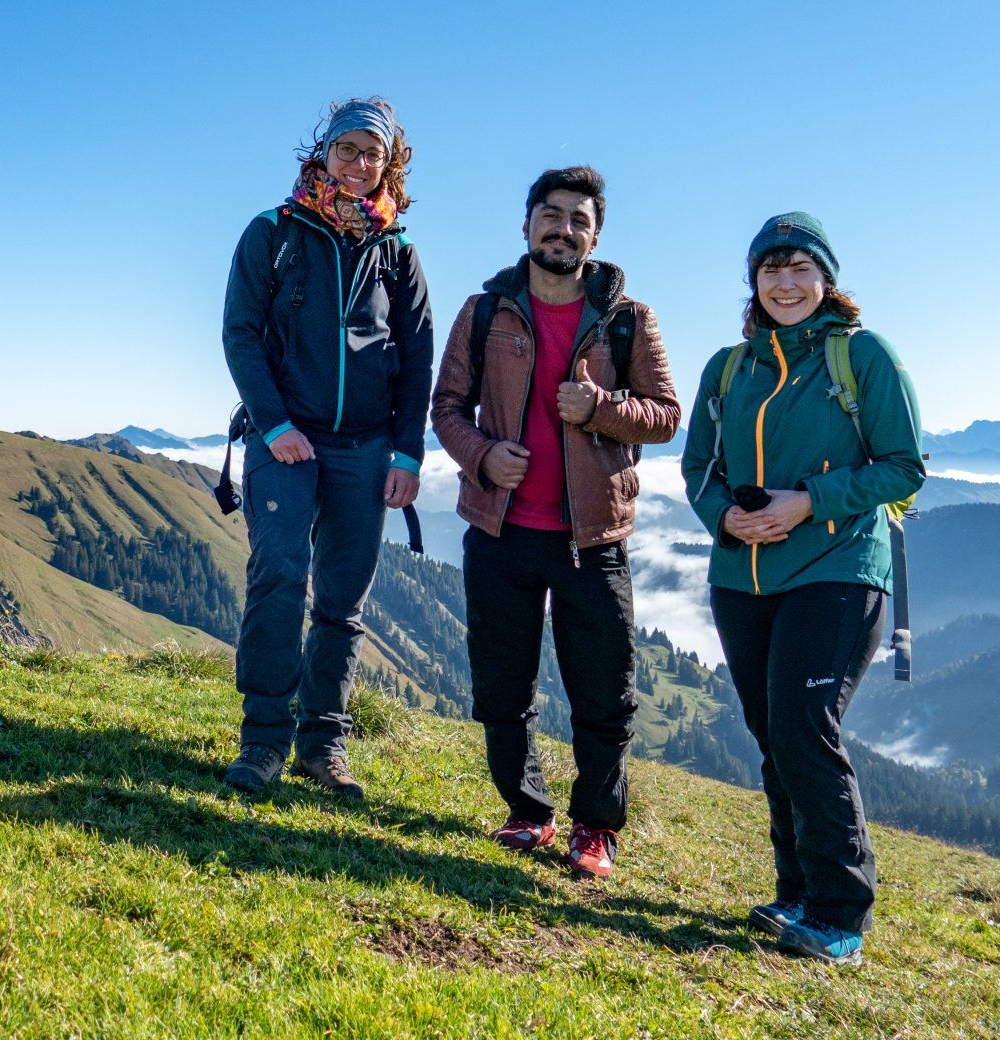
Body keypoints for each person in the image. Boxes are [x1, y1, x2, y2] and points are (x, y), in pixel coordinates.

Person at [680, 212, 924, 965]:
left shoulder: (862, 355)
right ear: (752, 283)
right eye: (770, 270)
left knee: (803, 726)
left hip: (840, 569)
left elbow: (904, 466)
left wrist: (807, 503)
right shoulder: (729, 368)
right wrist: (726, 518)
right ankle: (794, 895)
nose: (785, 283)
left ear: (827, 279)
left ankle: (840, 913)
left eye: (800, 269)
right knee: (772, 733)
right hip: (743, 575)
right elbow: (698, 471)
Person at [430, 166, 680, 879]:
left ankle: (595, 827)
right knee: (502, 685)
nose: (562, 227)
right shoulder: (485, 312)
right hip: (500, 529)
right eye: (551, 213)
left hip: (592, 537)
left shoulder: (628, 318)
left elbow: (666, 415)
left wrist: (599, 407)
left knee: (604, 691)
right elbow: (446, 408)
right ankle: (528, 811)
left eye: (578, 218)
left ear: (594, 237)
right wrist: (481, 455)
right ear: (527, 223)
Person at [219, 98, 433, 799]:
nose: (359, 164)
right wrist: (274, 424)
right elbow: (240, 334)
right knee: (278, 577)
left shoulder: (397, 250)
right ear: (324, 153)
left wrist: (407, 453)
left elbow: (419, 358)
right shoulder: (274, 231)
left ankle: (324, 745)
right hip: (285, 440)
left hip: (367, 449)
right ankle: (262, 742)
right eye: (348, 149)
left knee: (343, 601)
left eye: (373, 154)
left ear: (388, 164)